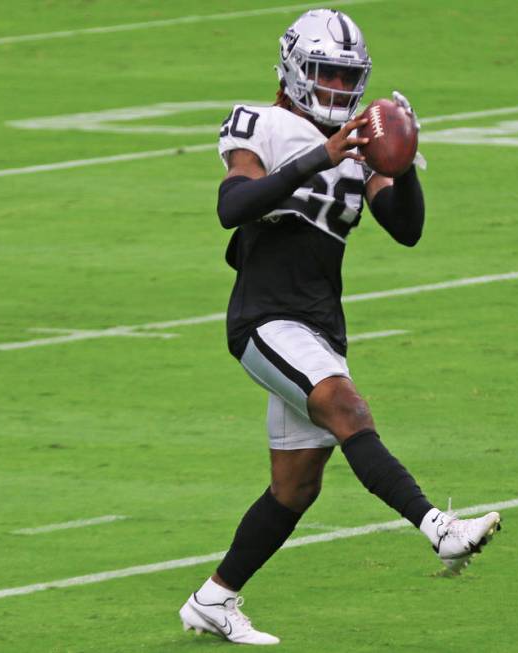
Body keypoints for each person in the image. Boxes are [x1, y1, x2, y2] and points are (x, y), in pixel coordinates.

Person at [178, 9, 501, 645]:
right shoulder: (263, 124)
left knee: (294, 488)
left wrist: (402, 163)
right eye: (324, 73)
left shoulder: (359, 144)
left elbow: (406, 228)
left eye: (346, 77)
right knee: (347, 408)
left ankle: (213, 600)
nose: (335, 90)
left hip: (319, 323)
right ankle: (439, 528)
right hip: (263, 318)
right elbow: (232, 205)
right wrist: (315, 157)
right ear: (295, 70)